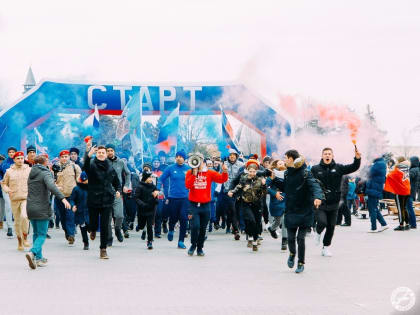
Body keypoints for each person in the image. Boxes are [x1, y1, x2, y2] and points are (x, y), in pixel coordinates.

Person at [277, 150, 323, 273]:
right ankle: (292, 253)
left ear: (291, 159)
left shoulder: (305, 173)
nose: (284, 160)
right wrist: (273, 181)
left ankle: (301, 262)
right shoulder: (287, 173)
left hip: (305, 211)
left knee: (300, 238)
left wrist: (318, 197)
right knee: (291, 238)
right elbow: (285, 187)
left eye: (286, 157)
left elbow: (315, 186)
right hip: (291, 209)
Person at [311, 147, 361, 257]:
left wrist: (357, 158)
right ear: (322, 156)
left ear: (333, 156)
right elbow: (311, 184)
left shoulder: (339, 167)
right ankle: (318, 232)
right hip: (321, 202)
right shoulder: (315, 169)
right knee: (322, 222)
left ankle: (326, 248)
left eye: (329, 154)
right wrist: (314, 197)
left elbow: (353, 167)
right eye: (325, 154)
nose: (327, 155)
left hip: (334, 202)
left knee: (331, 226)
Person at [25, 155, 71, 269]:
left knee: (36, 233)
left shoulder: (31, 173)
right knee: (42, 234)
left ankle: (39, 258)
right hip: (42, 208)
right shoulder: (45, 173)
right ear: (45, 162)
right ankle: (32, 252)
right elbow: (51, 186)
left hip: (30, 207)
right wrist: (63, 198)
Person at [83, 142, 122, 259]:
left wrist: (118, 190)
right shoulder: (92, 165)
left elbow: (116, 181)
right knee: (94, 223)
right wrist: (88, 155)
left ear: (106, 154)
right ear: (96, 154)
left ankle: (103, 249)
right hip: (94, 198)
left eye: (103, 153)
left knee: (105, 225)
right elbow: (84, 167)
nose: (100, 154)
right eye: (98, 153)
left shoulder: (110, 167)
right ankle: (93, 230)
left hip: (107, 198)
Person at [185, 153, 228, 256]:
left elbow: (222, 179)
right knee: (195, 226)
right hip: (193, 205)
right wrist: (194, 174)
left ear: (203, 162)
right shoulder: (189, 172)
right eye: (196, 160)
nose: (198, 162)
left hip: (205, 205)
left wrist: (225, 171)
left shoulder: (209, 173)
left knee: (203, 228)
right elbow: (188, 185)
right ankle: (193, 245)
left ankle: (200, 248)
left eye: (200, 160)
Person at [228, 158, 266, 251]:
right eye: (250, 171)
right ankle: (250, 236)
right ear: (247, 170)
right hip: (246, 203)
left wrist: (264, 185)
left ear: (256, 171)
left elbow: (265, 192)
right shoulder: (243, 178)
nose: (252, 173)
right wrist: (232, 191)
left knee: (257, 222)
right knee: (250, 220)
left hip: (257, 203)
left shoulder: (260, 179)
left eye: (254, 171)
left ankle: (255, 240)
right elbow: (238, 186)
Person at [158, 150, 190, 249]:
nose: (179, 158)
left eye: (181, 156)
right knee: (173, 217)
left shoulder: (189, 169)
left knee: (184, 218)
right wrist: (158, 189)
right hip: (173, 197)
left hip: (185, 198)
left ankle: (181, 241)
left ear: (184, 158)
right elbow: (161, 179)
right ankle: (171, 229)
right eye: (177, 156)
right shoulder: (170, 168)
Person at [1, 151, 31, 251]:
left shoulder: (29, 170)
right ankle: (19, 241)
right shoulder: (9, 171)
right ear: (14, 160)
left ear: (24, 159)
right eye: (18, 158)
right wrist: (7, 189)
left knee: (24, 216)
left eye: (22, 158)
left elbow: (34, 182)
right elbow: (4, 183)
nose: (20, 160)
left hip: (26, 198)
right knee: (17, 222)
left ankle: (25, 238)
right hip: (14, 198)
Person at [54, 149, 82, 245]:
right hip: (60, 196)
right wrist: (55, 186)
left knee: (70, 215)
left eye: (66, 156)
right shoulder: (55, 167)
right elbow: (51, 180)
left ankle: (71, 234)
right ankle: (67, 232)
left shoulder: (75, 167)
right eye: (62, 157)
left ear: (69, 157)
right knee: (62, 216)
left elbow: (80, 179)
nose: (64, 158)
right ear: (59, 158)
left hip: (71, 196)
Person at [105, 144, 131, 244]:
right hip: (106, 193)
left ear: (114, 151)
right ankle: (109, 238)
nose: (110, 152)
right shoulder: (103, 162)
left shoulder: (120, 162)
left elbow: (128, 173)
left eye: (111, 150)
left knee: (119, 215)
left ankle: (117, 230)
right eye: (108, 151)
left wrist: (126, 185)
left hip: (117, 192)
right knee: (107, 217)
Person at [217, 148, 244, 239]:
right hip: (227, 191)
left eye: (234, 155)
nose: (232, 156)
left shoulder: (241, 165)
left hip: (237, 190)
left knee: (237, 210)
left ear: (236, 156)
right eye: (230, 155)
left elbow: (243, 178)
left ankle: (237, 227)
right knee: (231, 210)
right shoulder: (224, 165)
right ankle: (235, 230)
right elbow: (220, 177)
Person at [384, 157, 411, 231]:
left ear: (399, 161)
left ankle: (401, 225)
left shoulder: (398, 168)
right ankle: (408, 224)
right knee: (404, 207)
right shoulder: (407, 168)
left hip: (400, 190)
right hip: (407, 189)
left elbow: (390, 175)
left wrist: (388, 172)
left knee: (400, 208)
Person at [134, 171, 159, 250]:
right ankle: (139, 226)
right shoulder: (140, 186)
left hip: (151, 209)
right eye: (149, 177)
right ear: (145, 178)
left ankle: (150, 241)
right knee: (141, 225)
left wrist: (155, 197)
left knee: (149, 226)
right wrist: (142, 204)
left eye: (151, 177)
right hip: (142, 209)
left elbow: (156, 199)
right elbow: (136, 198)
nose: (151, 179)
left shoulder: (153, 187)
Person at [266, 160, 288, 250]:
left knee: (284, 220)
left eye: (282, 163)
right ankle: (271, 228)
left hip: (286, 199)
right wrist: (275, 193)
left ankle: (284, 240)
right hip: (276, 199)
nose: (281, 164)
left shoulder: (288, 174)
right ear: (276, 165)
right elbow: (266, 187)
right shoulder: (272, 174)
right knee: (278, 221)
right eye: (279, 163)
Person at [365, 156, 389, 232]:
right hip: (375, 188)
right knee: (374, 208)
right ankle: (384, 224)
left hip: (374, 188)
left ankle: (373, 228)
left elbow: (368, 172)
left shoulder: (378, 164)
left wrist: (368, 165)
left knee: (372, 209)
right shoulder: (380, 163)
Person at [69, 171, 90, 250]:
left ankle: (91, 230)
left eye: (86, 180)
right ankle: (86, 243)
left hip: (90, 211)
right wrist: (73, 205)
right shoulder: (76, 189)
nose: (84, 182)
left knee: (89, 225)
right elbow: (72, 199)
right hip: (80, 211)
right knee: (82, 227)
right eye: (83, 180)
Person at [0, 146, 17, 237]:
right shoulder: (3, 164)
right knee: (8, 206)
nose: (11, 153)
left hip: (17, 188)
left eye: (13, 152)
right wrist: (1, 181)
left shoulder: (19, 162)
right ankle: (10, 227)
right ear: (8, 153)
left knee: (17, 207)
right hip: (6, 188)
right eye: (10, 152)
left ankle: (18, 226)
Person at [407, 156, 419, 229]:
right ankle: (412, 223)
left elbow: (408, 177)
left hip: (409, 191)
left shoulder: (413, 170)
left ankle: (413, 224)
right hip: (412, 191)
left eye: (410, 161)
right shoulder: (415, 169)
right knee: (409, 207)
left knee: (409, 208)